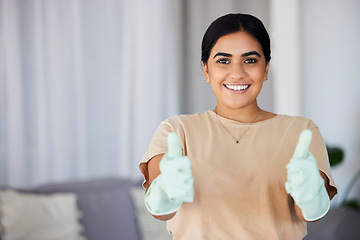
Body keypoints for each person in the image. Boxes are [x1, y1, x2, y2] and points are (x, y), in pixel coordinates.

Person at [139, 13, 337, 239]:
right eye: (223, 60)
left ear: (266, 69)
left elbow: (310, 215)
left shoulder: (301, 132)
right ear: (206, 70)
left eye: (250, 60)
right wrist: (166, 192)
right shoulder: (176, 130)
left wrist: (311, 194)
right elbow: (161, 213)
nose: (237, 73)